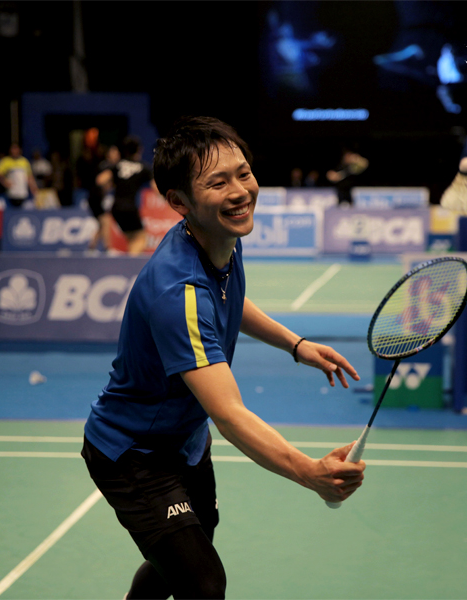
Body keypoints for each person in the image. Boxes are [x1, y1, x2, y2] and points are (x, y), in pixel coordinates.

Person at [81, 116, 366, 599]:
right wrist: (308, 472)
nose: (239, 192)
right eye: (217, 183)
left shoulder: (215, 238)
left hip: (186, 440)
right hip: (134, 453)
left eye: (243, 173)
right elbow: (230, 414)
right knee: (204, 583)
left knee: (180, 558)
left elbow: (228, 300)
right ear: (179, 202)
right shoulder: (177, 293)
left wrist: (295, 345)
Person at [96, 135, 154, 255]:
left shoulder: (118, 165)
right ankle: (131, 263)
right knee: (141, 238)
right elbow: (156, 186)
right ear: (139, 150)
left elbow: (100, 180)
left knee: (131, 238)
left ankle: (129, 260)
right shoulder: (143, 167)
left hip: (116, 209)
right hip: (130, 208)